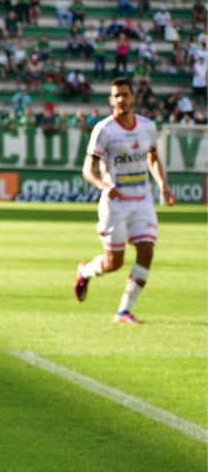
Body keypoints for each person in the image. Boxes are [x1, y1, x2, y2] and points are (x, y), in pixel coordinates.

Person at [73, 78, 176, 324]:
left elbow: (152, 158)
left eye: (125, 94)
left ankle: (124, 310)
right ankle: (85, 271)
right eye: (116, 95)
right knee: (113, 263)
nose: (121, 99)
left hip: (142, 201)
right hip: (115, 204)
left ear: (133, 97)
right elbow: (88, 169)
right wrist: (103, 185)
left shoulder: (147, 127)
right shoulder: (104, 129)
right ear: (111, 100)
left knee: (146, 251)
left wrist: (163, 185)